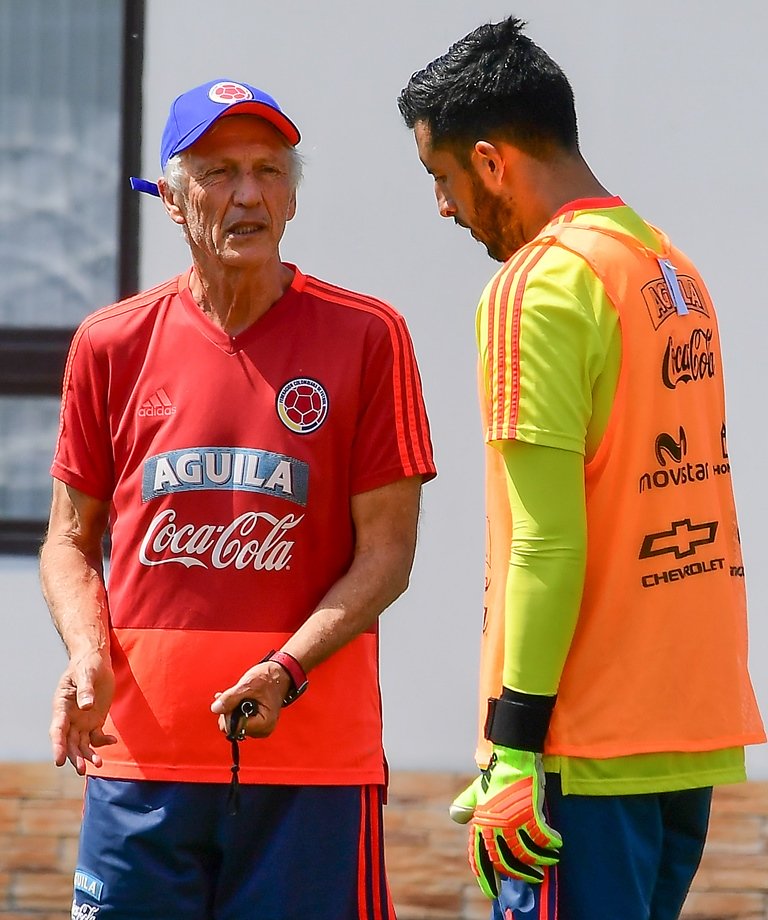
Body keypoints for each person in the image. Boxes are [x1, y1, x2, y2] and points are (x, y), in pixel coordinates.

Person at [40, 77, 436, 920]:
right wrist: (84, 651)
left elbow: (389, 555)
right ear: (176, 202)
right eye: (219, 172)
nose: (247, 193)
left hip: (312, 771)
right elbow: (69, 541)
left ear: (292, 196)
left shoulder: (369, 337)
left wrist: (286, 669)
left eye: (267, 169)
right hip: (139, 764)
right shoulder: (110, 344)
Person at [398, 18, 765, 920]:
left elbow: (544, 541)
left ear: (490, 163)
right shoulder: (667, 266)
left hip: (579, 749)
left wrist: (512, 746)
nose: (443, 208)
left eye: (441, 180)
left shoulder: (542, 281)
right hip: (687, 736)